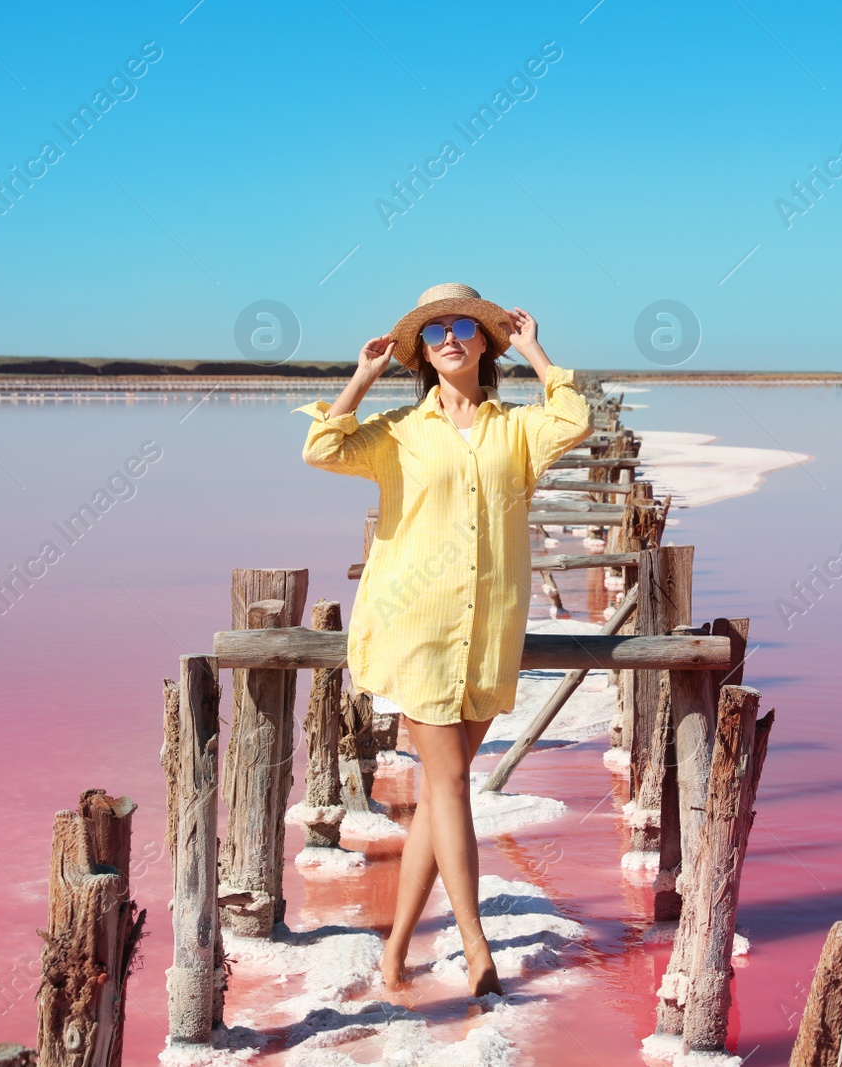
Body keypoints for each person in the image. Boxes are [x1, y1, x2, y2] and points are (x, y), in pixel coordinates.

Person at [293, 282, 593, 997]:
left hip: (488, 631)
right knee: (453, 780)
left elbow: (574, 419)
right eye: (433, 331)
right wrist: (362, 378)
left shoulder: (516, 431)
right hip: (418, 627)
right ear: (421, 352)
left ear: (485, 341)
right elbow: (320, 447)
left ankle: (395, 948)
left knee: (438, 794)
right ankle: (474, 942)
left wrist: (537, 351)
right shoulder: (398, 431)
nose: (449, 336)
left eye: (464, 325)